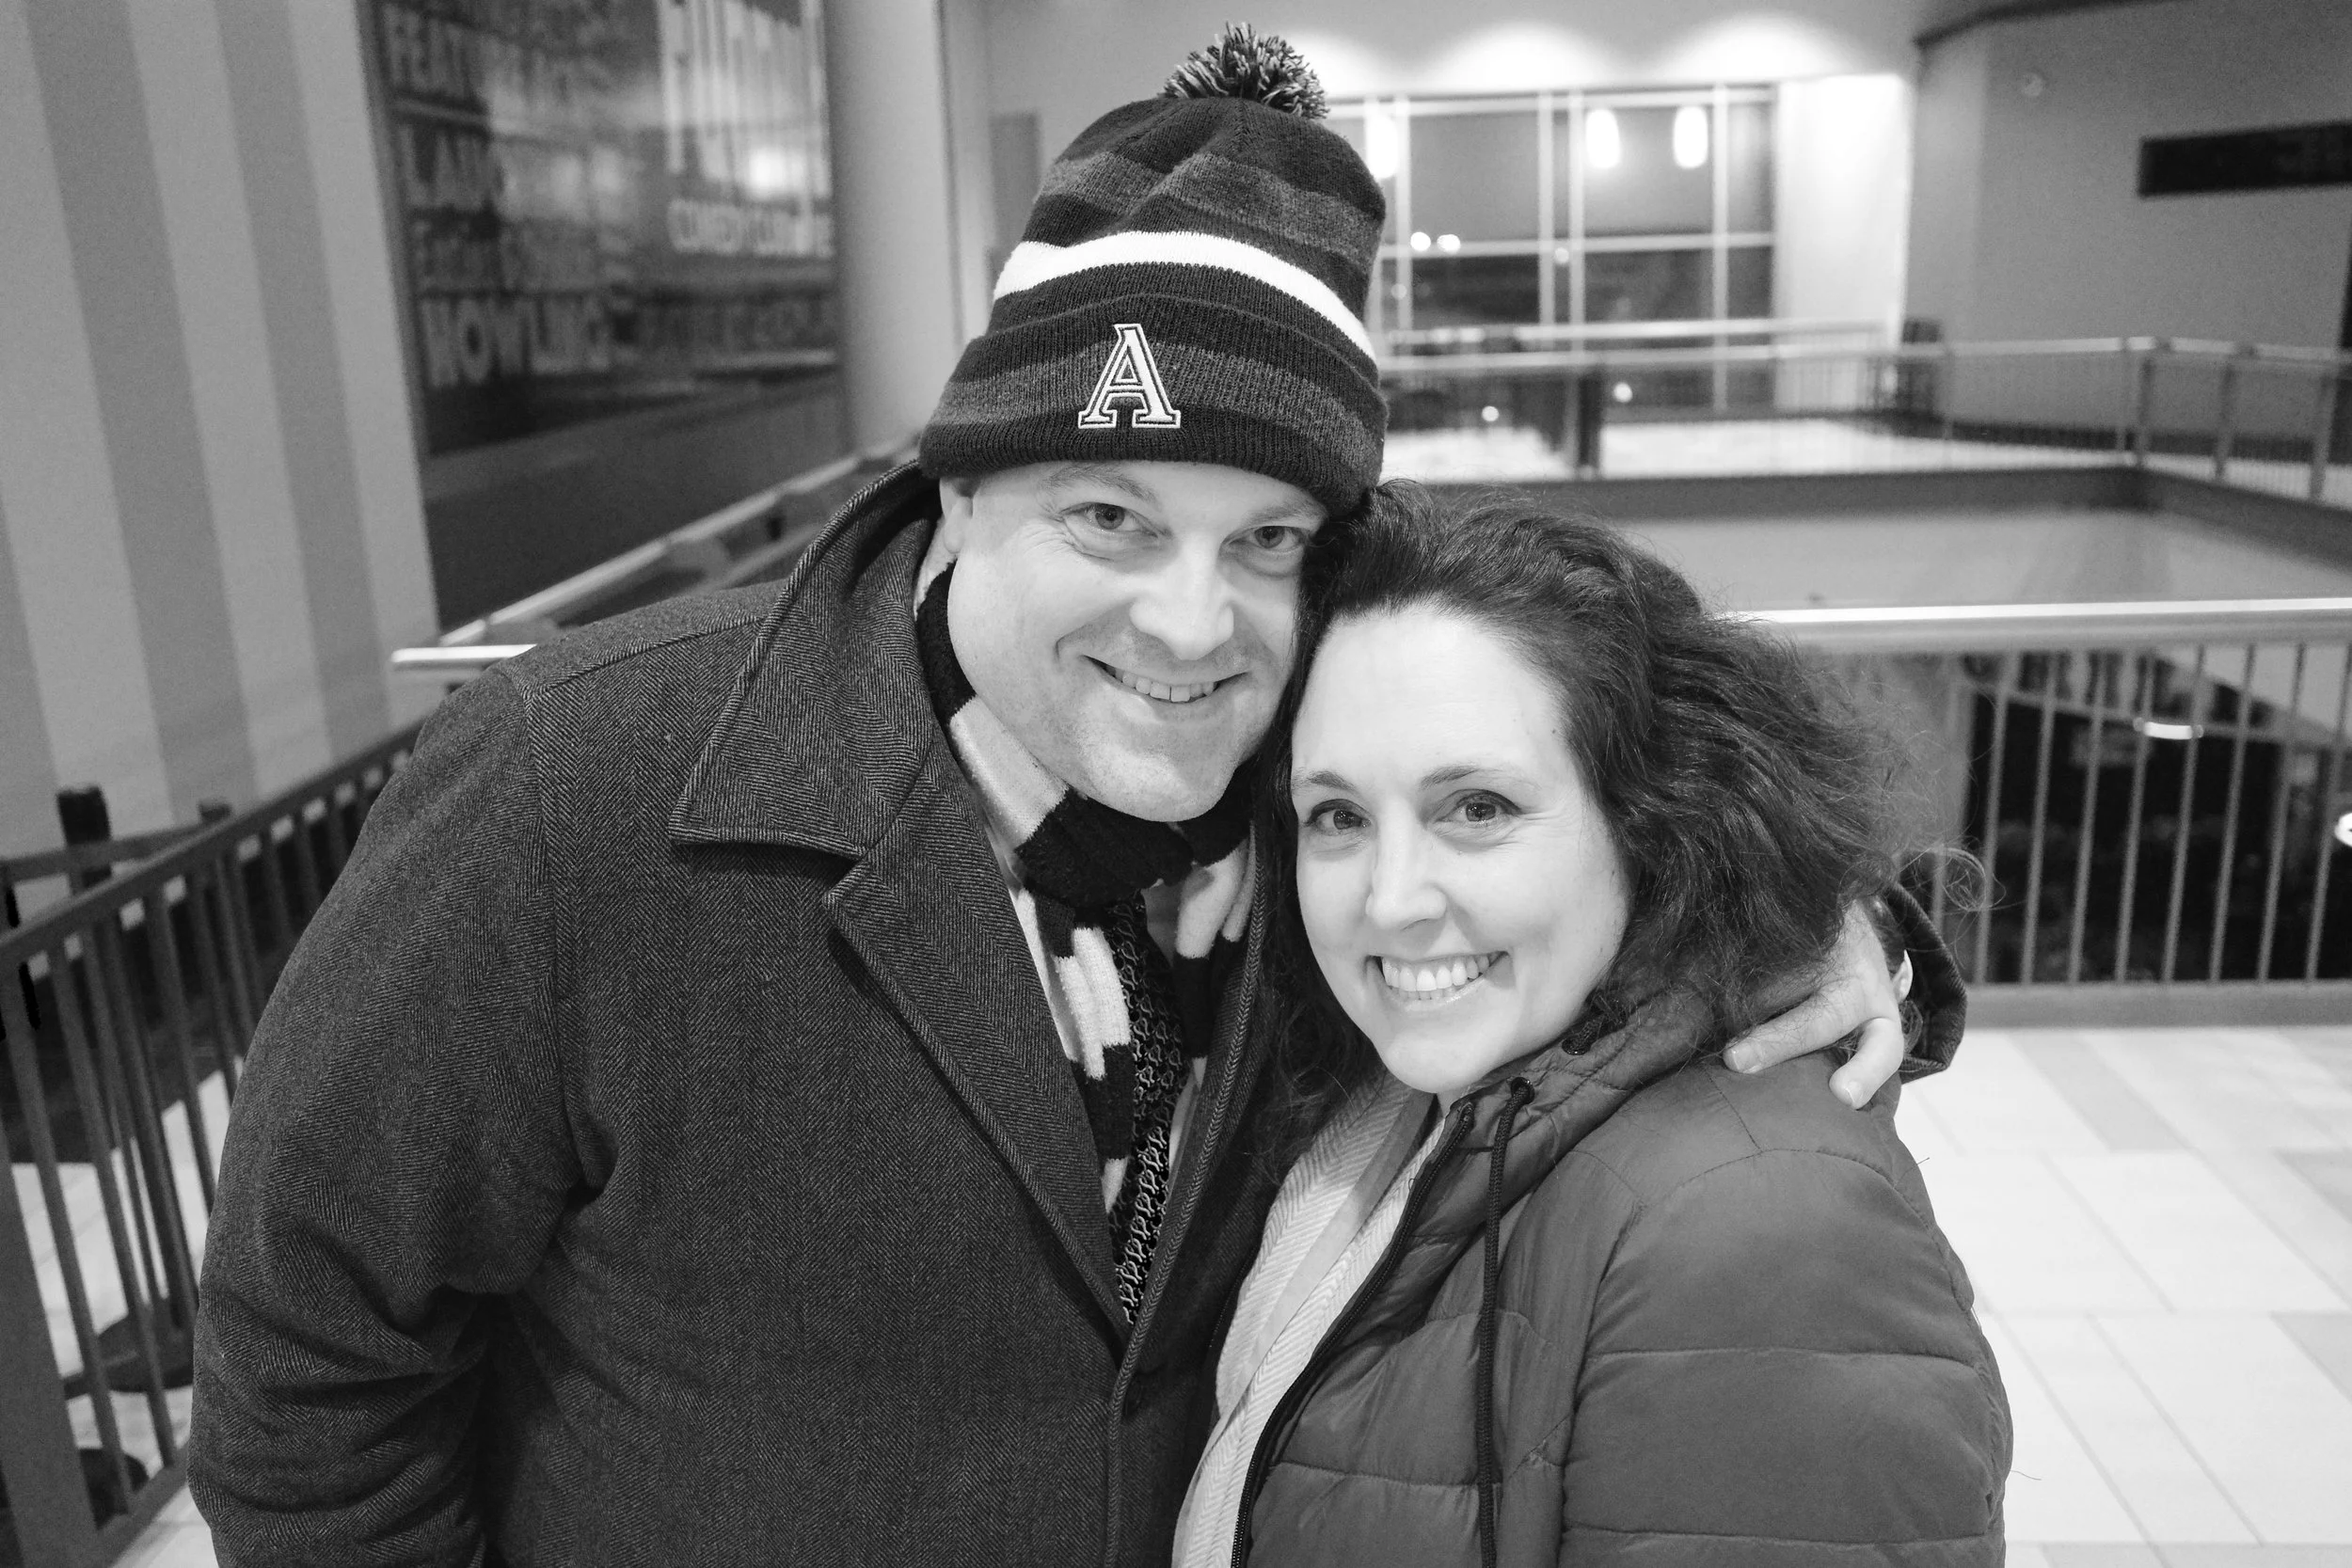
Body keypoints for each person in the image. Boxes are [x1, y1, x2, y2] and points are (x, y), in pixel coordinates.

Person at [188, 28, 1958, 1567]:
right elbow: (309, 1358)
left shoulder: (1313, 793)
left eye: (1265, 540)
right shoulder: (579, 784)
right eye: (1109, 517)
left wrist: (1794, 921)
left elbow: (1560, 818)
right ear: (959, 498)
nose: (1189, 623)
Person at [1174, 485, 2009, 1568]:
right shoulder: (1387, 1100)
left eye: (1478, 807)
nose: (1389, 898)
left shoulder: (1760, 1228)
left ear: (1650, 814)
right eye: (1338, 815)